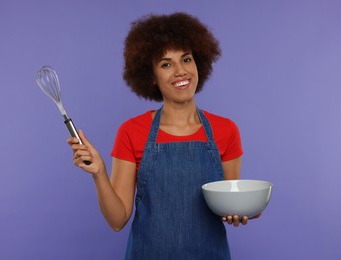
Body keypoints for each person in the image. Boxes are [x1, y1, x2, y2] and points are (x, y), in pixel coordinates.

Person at [68, 12, 261, 259]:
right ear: (151, 77)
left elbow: (231, 205)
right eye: (166, 64)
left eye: (187, 59)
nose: (181, 72)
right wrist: (99, 173)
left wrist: (244, 212)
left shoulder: (227, 130)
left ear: (198, 63)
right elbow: (117, 220)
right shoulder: (131, 131)